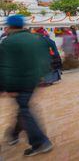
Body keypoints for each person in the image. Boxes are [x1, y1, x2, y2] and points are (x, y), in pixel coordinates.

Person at [0, 15, 53, 157]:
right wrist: (41, 76)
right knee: (23, 109)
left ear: (10, 27)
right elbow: (45, 59)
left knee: (25, 111)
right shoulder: (35, 39)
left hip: (18, 83)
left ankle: (40, 142)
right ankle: (13, 135)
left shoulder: (8, 42)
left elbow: (4, 66)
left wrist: (6, 87)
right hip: (33, 80)